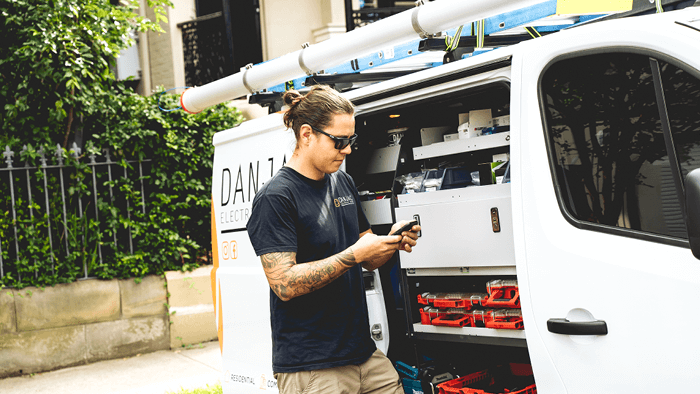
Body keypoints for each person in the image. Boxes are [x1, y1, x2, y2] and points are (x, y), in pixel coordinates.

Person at [246, 85, 420, 394]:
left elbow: (368, 256)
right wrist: (352, 254)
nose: (348, 150)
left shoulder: (343, 181)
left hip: (364, 356)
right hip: (313, 367)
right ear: (307, 134)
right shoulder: (276, 196)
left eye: (350, 140)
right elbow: (284, 283)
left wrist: (389, 243)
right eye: (339, 141)